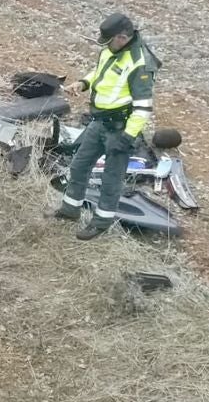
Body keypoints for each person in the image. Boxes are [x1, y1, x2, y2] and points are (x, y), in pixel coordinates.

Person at [54, 12, 161, 240]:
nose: (105, 45)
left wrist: (127, 138)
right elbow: (101, 72)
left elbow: (143, 109)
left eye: (109, 40)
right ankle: (70, 209)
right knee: (79, 165)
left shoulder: (139, 64)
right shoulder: (112, 51)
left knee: (111, 180)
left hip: (120, 129)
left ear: (122, 37)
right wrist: (83, 83)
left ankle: (100, 223)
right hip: (99, 122)